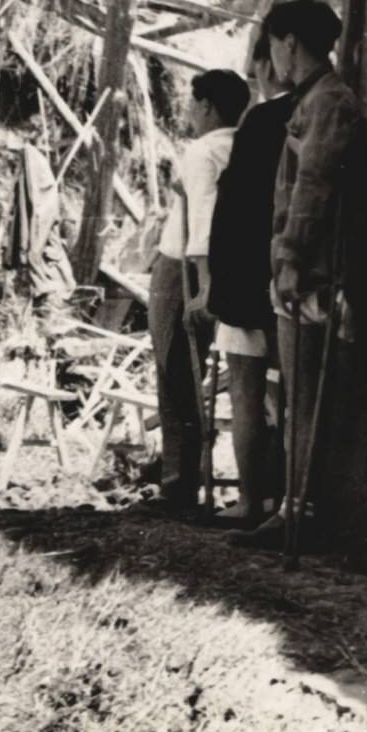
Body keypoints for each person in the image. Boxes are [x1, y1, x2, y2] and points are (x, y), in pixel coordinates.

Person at [231, 0, 367, 550]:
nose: (274, 61)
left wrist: (289, 261)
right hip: (301, 271)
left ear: (289, 43)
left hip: (314, 274)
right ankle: (293, 507)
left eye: (275, 48)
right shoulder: (313, 100)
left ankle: (302, 514)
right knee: (296, 395)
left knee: (307, 396)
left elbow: (313, 188)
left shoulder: (329, 103)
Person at [149, 69, 249, 507]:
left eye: (192, 103)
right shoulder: (243, 147)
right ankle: (185, 474)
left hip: (184, 266)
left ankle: (179, 483)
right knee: (194, 374)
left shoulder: (205, 150)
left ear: (207, 106)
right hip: (224, 266)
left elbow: (204, 218)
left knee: (175, 371)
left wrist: (202, 285)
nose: (189, 112)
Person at [207, 35, 296, 525]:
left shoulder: (264, 120)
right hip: (287, 275)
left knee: (246, 391)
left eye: (253, 68)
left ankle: (251, 498)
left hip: (250, 278)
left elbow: (234, 213)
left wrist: (222, 287)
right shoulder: (313, 111)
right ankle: (281, 498)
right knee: (285, 396)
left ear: (271, 61)